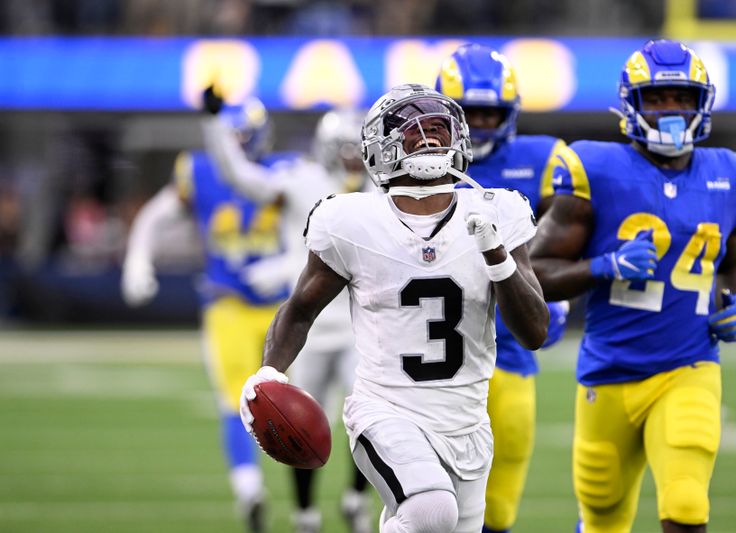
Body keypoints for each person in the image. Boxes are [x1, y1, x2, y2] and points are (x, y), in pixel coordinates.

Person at [239, 83, 551, 533]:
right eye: (413, 132)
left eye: (438, 129)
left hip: (468, 424)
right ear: (380, 147)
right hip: (386, 411)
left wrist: (497, 257)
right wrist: (269, 372)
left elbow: (535, 332)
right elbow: (301, 308)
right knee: (431, 512)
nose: (429, 140)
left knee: (427, 520)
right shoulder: (350, 221)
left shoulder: (497, 210)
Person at [529, 39, 736, 533]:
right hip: (609, 372)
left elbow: (734, 260)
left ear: (702, 103)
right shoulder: (595, 168)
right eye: (658, 98)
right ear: (632, 104)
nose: (671, 110)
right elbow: (532, 274)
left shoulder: (727, 172)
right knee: (604, 517)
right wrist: (603, 266)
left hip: (689, 366)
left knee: (687, 505)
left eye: (682, 98)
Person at [200, 93, 374, 533]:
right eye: (347, 148)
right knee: (299, 427)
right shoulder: (301, 179)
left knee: (373, 422)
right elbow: (239, 176)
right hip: (310, 330)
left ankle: (355, 498)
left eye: (360, 149)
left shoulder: (380, 189)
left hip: (361, 328)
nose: (354, 158)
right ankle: (306, 515)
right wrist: (216, 124)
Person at [121, 95, 285, 533]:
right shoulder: (201, 170)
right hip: (228, 299)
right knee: (234, 397)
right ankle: (250, 490)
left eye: (242, 138)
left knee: (299, 403)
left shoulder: (284, 172)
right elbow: (156, 216)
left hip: (283, 306)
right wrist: (138, 258)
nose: (234, 147)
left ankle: (292, 501)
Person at [435, 43, 569, 533]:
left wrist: (562, 297)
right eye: (471, 113)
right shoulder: (417, 166)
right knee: (429, 504)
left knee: (499, 509)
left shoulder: (544, 159)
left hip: (510, 352)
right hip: (436, 359)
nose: (482, 124)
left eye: (491, 112)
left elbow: (568, 235)